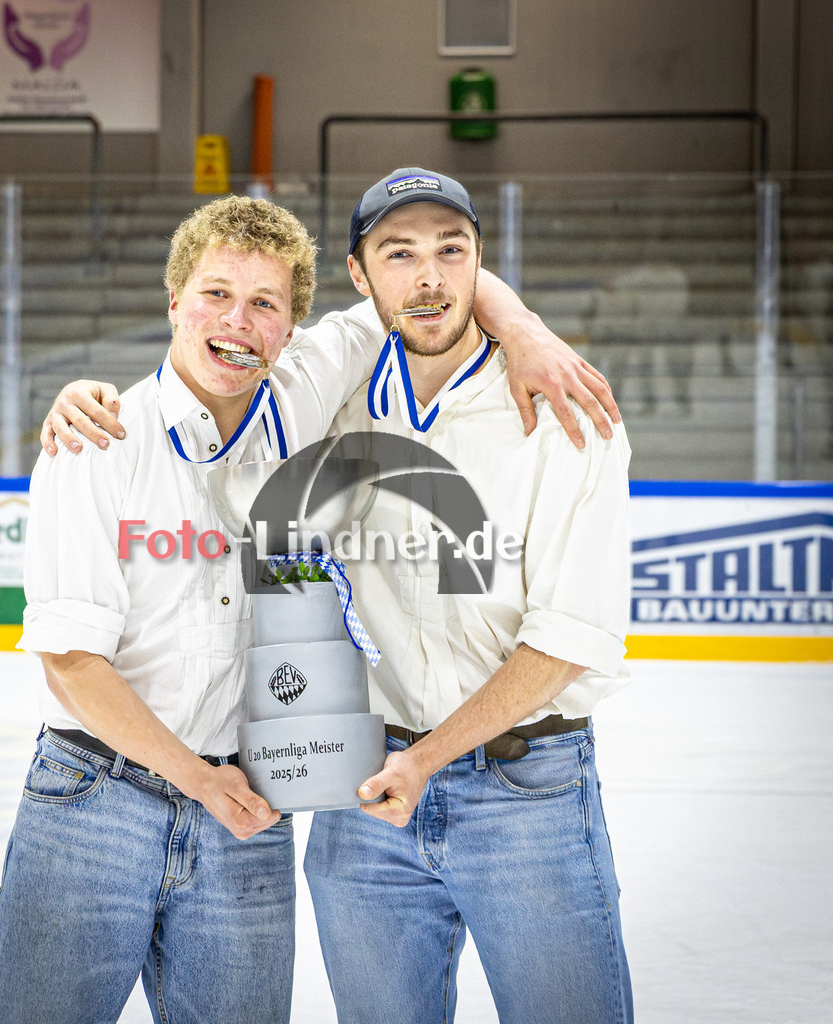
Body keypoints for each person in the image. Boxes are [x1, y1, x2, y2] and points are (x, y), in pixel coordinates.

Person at [0, 191, 617, 1024]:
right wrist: (200, 786)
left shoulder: (310, 385)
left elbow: (424, 285)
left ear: (292, 330)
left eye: (265, 304)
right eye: (216, 294)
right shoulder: (99, 440)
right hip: (100, 799)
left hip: (254, 807)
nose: (238, 322)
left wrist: (528, 332)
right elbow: (69, 661)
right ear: (175, 302)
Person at [302, 169, 634, 1024]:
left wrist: (428, 759)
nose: (429, 277)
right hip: (368, 789)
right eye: (399, 253)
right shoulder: (332, 393)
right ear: (359, 276)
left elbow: (568, 640)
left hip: (526, 791)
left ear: (480, 263)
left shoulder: (566, 410)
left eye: (452, 252)